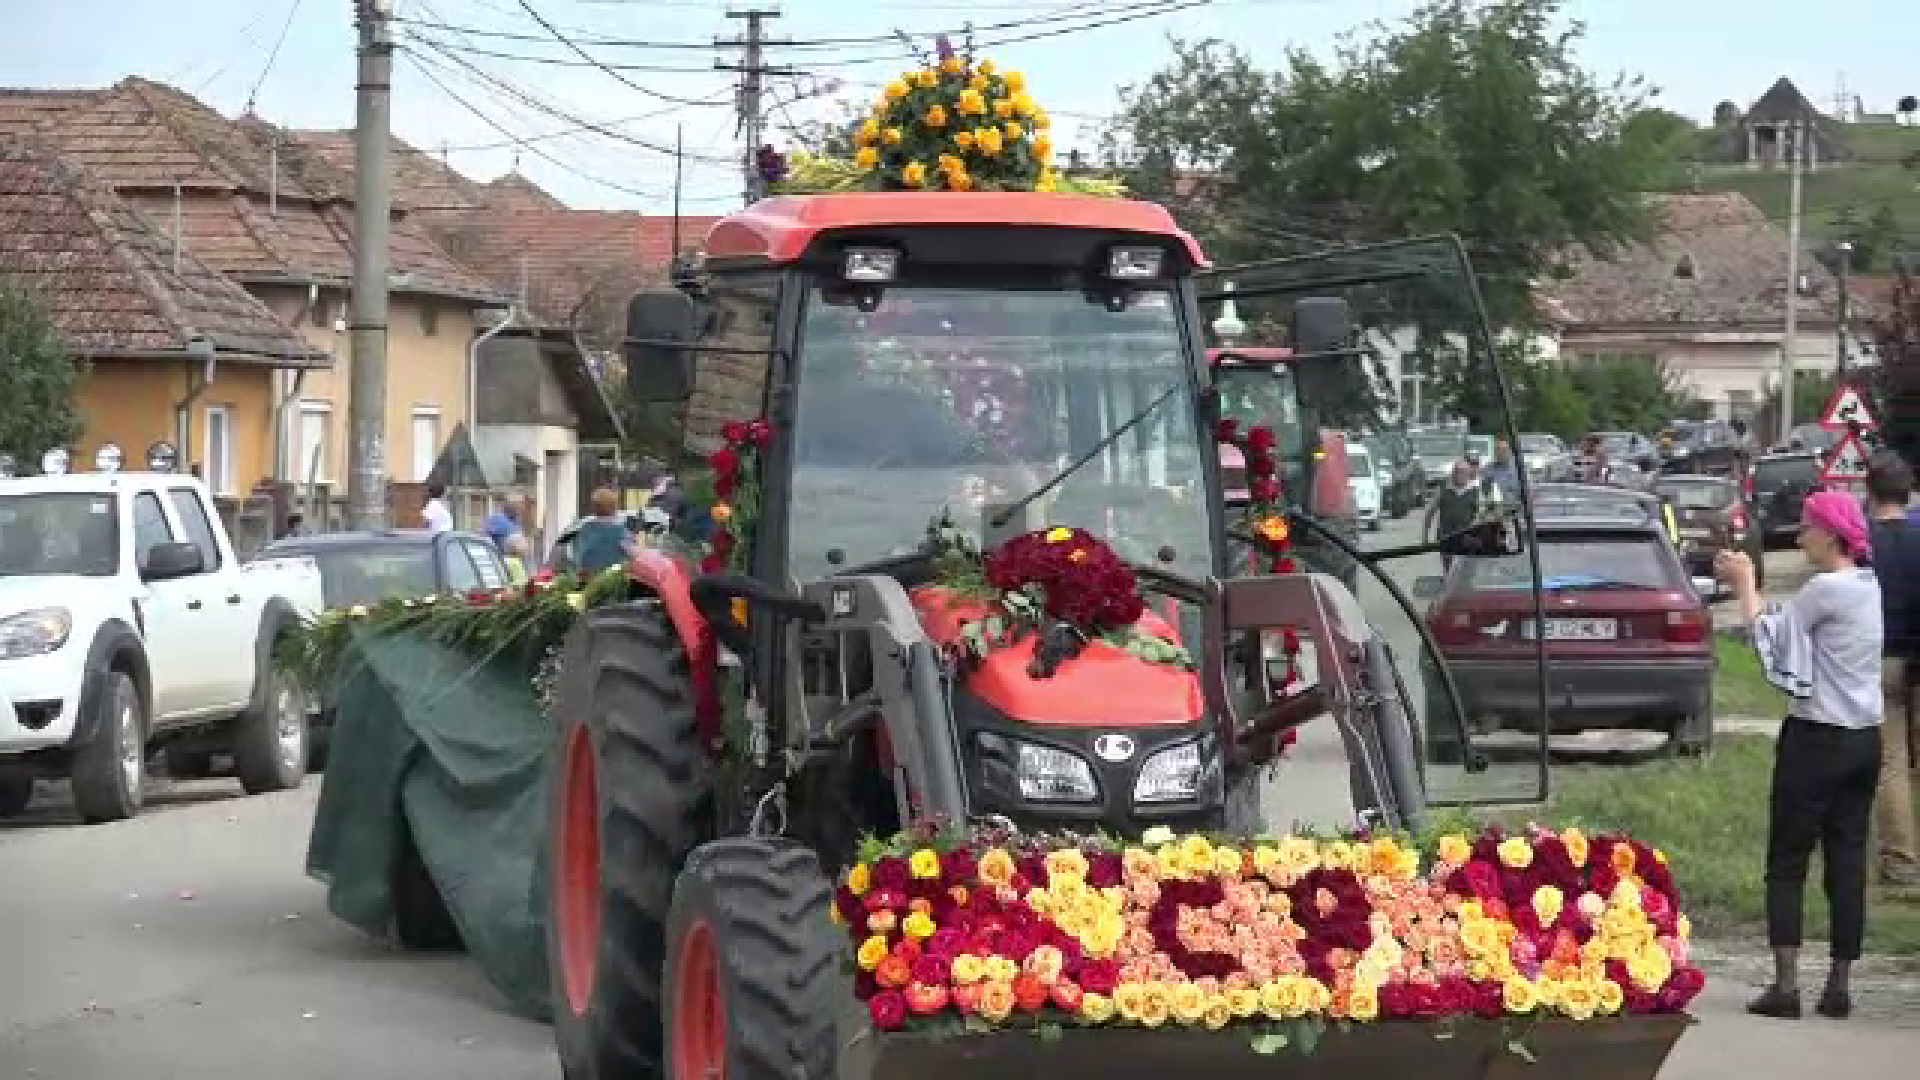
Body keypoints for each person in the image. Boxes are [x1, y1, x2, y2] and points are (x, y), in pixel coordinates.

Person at [1717, 491, 1883, 1020]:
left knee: (1788, 860)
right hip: (1864, 737)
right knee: (1848, 858)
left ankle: (1786, 987)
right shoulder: (1867, 584)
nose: (1800, 537)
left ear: (1831, 535)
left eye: (1809, 527)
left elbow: (1769, 636)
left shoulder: (1825, 589)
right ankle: (1839, 984)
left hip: (1817, 738)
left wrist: (1745, 585)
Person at [1866, 453, 1920, 892]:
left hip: (1881, 660)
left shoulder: (1863, 543)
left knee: (1892, 762)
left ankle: (1900, 861)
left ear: (1870, 492)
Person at [1425, 460, 1490, 571]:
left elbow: (1482, 515)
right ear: (1453, 473)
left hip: (1468, 540)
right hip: (1446, 538)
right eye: (1457, 471)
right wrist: (1425, 537)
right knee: (1449, 570)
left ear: (1469, 474)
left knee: (1467, 572)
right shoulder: (1443, 489)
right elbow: (1430, 513)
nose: (1460, 475)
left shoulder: (1476, 491)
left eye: (1463, 472)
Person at [573, 486, 638, 579]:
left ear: (594, 507)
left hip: (589, 581)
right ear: (614, 507)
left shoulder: (585, 530)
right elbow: (633, 557)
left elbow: (577, 557)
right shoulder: (622, 532)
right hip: (615, 582)